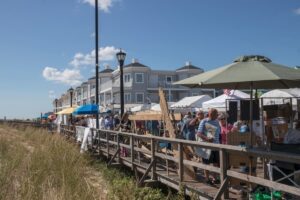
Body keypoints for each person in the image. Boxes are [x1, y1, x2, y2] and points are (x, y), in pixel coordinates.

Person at [197, 108, 221, 185]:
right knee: (206, 163)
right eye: (216, 114)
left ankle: (215, 178)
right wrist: (207, 139)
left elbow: (218, 133)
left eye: (217, 114)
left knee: (216, 163)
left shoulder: (217, 122)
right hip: (207, 146)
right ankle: (207, 179)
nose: (217, 116)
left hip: (216, 145)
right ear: (211, 114)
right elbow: (199, 133)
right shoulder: (204, 121)